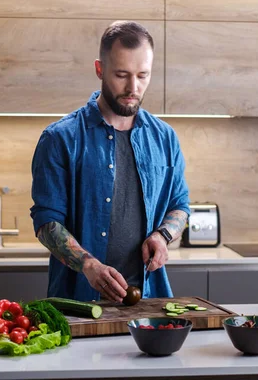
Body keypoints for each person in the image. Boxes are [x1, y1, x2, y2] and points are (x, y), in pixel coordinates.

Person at [30, 21, 190, 303]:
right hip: (78, 302)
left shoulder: (165, 137)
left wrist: (163, 236)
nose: (133, 87)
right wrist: (88, 265)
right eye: (121, 74)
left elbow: (180, 205)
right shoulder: (59, 138)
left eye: (143, 75)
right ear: (99, 69)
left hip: (150, 300)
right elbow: (47, 222)